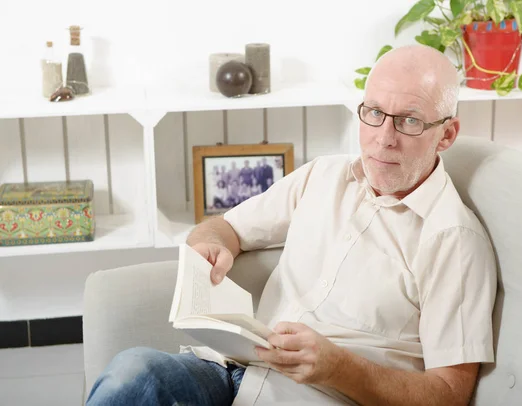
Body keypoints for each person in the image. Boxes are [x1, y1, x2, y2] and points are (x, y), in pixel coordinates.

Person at [86, 44, 497, 406]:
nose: (383, 137)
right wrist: (211, 244)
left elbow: (449, 394)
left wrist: (338, 368)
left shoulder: (453, 241)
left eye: (408, 120)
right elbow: (224, 228)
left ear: (446, 135)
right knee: (133, 371)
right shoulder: (324, 177)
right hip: (235, 373)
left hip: (323, 397)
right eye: (373, 113)